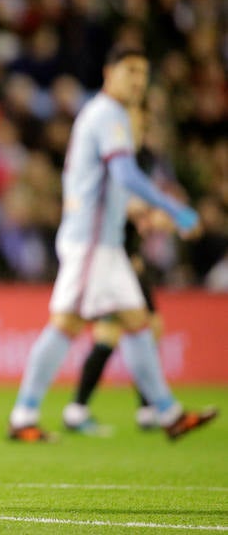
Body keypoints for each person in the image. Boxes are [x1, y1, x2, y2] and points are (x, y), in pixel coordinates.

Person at [7, 45, 218, 442]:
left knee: (139, 324)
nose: (137, 81)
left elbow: (114, 185)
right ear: (109, 72)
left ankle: (168, 413)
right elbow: (124, 172)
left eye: (142, 74)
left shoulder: (103, 115)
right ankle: (23, 416)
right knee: (67, 325)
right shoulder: (108, 114)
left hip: (105, 244)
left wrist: (144, 212)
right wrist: (176, 208)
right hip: (90, 243)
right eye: (130, 71)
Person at [62, 105, 171, 434]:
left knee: (134, 329)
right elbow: (114, 207)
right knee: (130, 329)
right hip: (110, 255)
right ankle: (86, 409)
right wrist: (156, 213)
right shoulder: (113, 155)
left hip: (124, 255)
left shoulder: (145, 157)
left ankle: (143, 408)